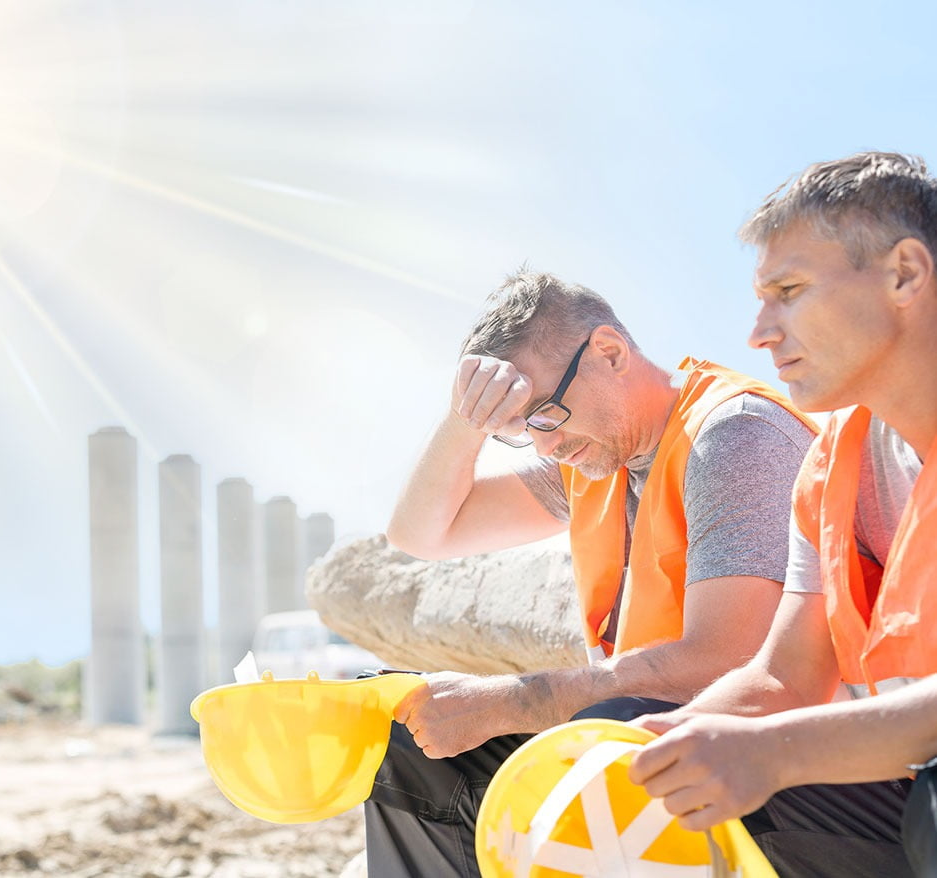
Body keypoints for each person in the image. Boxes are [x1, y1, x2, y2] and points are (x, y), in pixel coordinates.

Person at [367, 269, 818, 876]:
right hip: (657, 739)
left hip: (796, 774)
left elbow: (728, 663)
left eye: (546, 414)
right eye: (520, 432)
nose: (546, 446)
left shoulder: (736, 435)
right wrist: (462, 422)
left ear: (608, 352)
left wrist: (516, 701)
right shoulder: (590, 463)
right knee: (413, 736)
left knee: (607, 729)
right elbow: (420, 533)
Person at [628, 151, 937, 878]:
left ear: (904, 274)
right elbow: (784, 679)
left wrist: (770, 754)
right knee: (650, 764)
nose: (759, 333)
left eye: (788, 291)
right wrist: (674, 737)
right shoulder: (832, 469)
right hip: (905, 785)